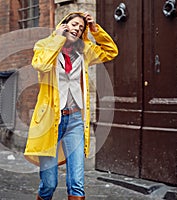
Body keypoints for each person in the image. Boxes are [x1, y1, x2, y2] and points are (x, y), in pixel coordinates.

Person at [24, 12, 118, 200]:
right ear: (64, 24)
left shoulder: (85, 50)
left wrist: (95, 30)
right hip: (50, 121)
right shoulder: (44, 45)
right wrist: (57, 38)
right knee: (49, 184)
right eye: (74, 24)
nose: (77, 29)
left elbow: (110, 51)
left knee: (77, 183)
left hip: (75, 120)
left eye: (81, 27)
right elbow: (41, 65)